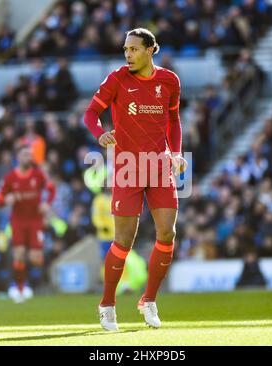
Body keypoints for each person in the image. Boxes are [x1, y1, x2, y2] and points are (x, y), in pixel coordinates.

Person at [84, 28, 187, 331]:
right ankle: (107, 304)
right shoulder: (117, 79)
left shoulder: (169, 81)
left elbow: (174, 121)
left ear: (150, 50)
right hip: (128, 169)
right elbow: (90, 114)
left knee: (167, 234)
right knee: (123, 241)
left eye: (133, 49)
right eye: (125, 49)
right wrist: (100, 133)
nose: (127, 54)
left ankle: (149, 301)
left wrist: (177, 153)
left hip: (159, 166)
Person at [0, 144, 56, 303]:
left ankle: (38, 284)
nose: (28, 157)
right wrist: (5, 200)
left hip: (35, 221)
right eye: (25, 155)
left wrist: (47, 204)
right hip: (18, 221)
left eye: (30, 155)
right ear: (18, 158)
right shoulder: (10, 178)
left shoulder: (38, 175)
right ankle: (20, 288)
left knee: (35, 258)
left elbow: (51, 189)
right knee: (19, 255)